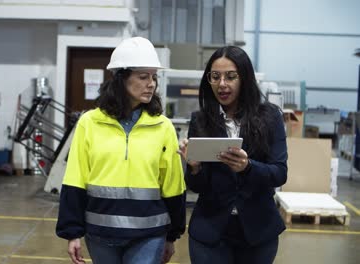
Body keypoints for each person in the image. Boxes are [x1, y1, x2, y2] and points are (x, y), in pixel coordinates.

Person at [56, 37, 187, 264]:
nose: (151, 84)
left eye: (154, 77)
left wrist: (172, 234)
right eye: (143, 76)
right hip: (99, 233)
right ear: (121, 78)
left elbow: (173, 183)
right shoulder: (90, 123)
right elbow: (75, 177)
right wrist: (72, 231)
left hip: (150, 233)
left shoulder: (163, 126)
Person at [179, 46, 287, 264]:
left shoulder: (270, 117)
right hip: (210, 232)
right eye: (215, 76)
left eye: (231, 77)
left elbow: (279, 173)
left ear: (244, 78)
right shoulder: (200, 120)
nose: (222, 84)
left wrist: (248, 167)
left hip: (258, 233)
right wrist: (194, 168)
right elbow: (197, 186)